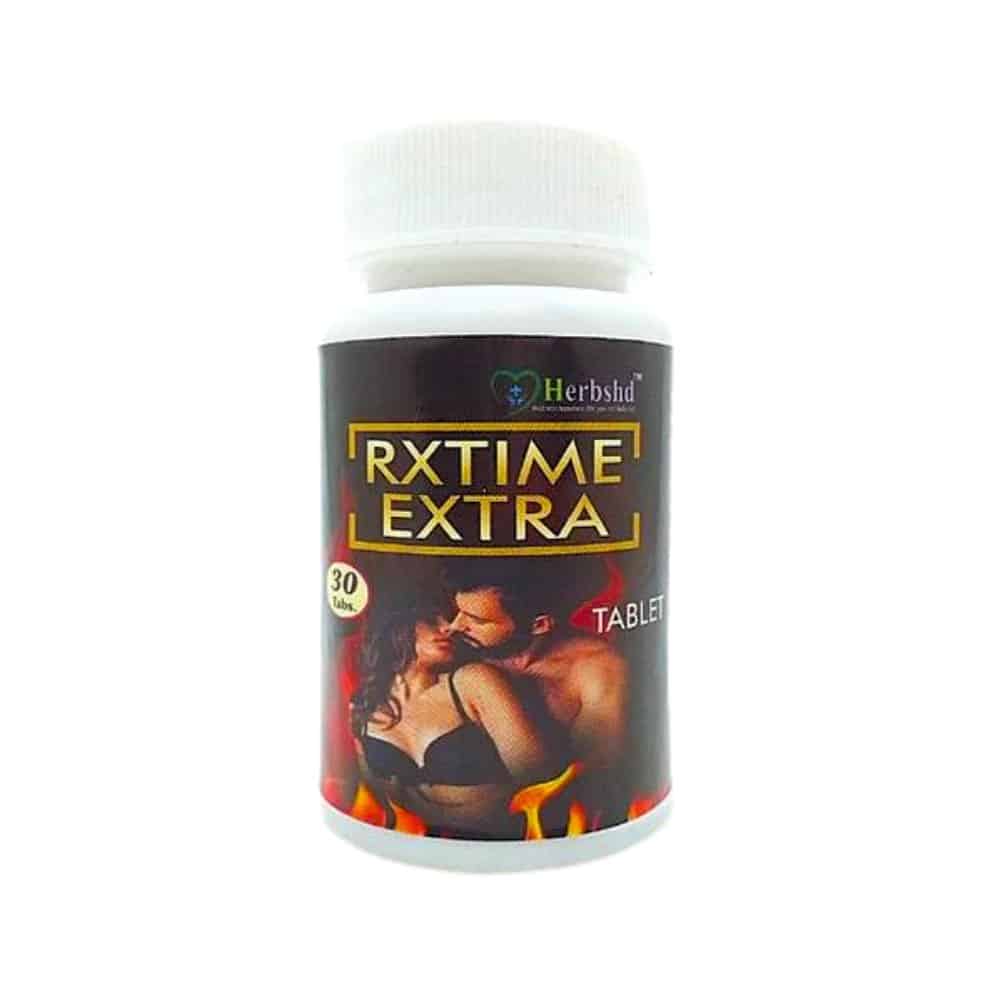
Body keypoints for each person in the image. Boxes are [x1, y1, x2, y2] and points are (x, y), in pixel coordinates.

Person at [351, 591, 548, 836]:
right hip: (414, 838)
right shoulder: (363, 708)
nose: (449, 628)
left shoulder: (472, 682)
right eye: (432, 621)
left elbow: (540, 779)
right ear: (397, 626)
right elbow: (375, 797)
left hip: (498, 840)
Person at [443, 561, 628, 775]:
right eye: (459, 612)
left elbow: (596, 776)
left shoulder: (596, 668)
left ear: (539, 625)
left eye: (477, 620)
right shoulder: (448, 652)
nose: (455, 626)